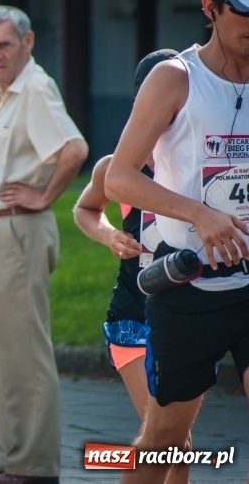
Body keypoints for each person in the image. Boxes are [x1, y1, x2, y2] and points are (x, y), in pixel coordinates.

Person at [105, 0, 249, 482]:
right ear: (211, 7)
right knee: (165, 442)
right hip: (189, 285)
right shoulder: (174, 77)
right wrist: (198, 214)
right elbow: (119, 178)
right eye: (244, 12)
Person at [0, 5, 88, 484]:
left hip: (18, 229)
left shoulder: (34, 88)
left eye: (5, 45)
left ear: (28, 42)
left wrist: (44, 196)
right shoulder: (6, 90)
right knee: (0, 349)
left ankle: (33, 467)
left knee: (24, 351)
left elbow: (75, 150)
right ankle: (8, 456)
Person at [73, 49, 191, 484]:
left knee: (176, 444)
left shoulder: (201, 165)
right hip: (133, 319)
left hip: (190, 318)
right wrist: (108, 235)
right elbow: (85, 209)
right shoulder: (118, 168)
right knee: (170, 441)